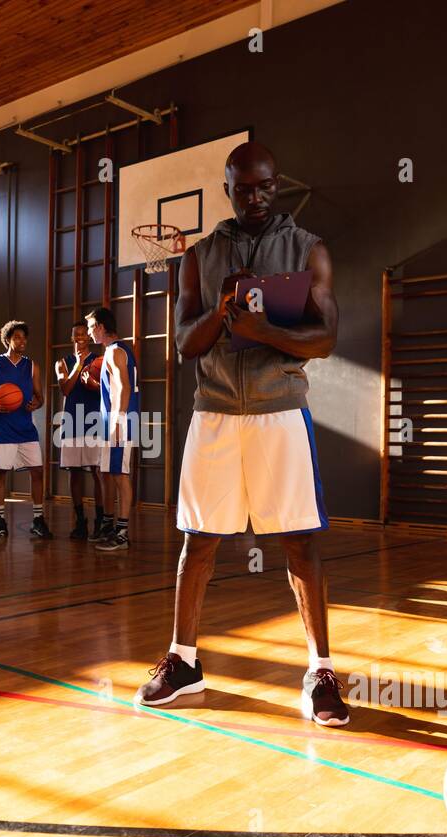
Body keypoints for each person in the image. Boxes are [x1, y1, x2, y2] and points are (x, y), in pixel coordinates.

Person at [133, 142, 348, 726]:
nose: (256, 197)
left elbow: (324, 338)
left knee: (299, 541)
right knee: (198, 540)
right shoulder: (200, 256)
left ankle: (321, 670)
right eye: (244, 188)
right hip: (216, 411)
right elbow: (183, 343)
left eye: (265, 187)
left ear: (277, 184)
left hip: (281, 412)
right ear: (226, 188)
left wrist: (264, 329)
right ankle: (183, 662)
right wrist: (223, 313)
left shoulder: (308, 250)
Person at [0, 321, 53, 540]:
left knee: (37, 471)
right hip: (3, 429)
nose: (22, 341)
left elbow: (40, 396)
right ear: (8, 340)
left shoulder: (32, 366)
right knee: (0, 474)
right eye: (18, 337)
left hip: (26, 429)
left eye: (24, 337)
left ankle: (38, 520)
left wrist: (36, 404)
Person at [85, 307, 138, 552]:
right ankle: (109, 524)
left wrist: (118, 420)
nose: (88, 332)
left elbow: (125, 387)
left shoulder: (115, 351)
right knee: (106, 472)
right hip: (113, 421)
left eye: (90, 327)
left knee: (120, 474)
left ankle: (123, 532)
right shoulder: (115, 350)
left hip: (121, 422)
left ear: (100, 327)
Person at [54, 317, 106, 540]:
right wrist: (77, 366)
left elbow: (106, 390)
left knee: (97, 471)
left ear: (89, 337)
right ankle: (80, 522)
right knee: (74, 472)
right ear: (71, 337)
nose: (81, 337)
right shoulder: (62, 363)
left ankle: (101, 521)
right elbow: (65, 389)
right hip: (72, 421)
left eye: (84, 334)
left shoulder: (100, 361)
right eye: (77, 334)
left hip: (95, 420)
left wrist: (93, 384)